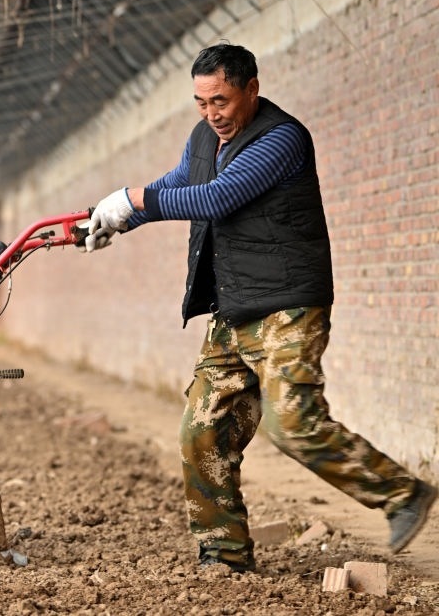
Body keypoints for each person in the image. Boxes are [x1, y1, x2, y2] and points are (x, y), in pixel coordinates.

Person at [81, 42, 436, 572]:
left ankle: (402, 494)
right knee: (201, 431)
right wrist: (116, 216)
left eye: (221, 101)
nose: (211, 114)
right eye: (202, 102)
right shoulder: (204, 136)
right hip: (234, 308)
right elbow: (179, 184)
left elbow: (217, 198)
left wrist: (133, 199)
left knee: (293, 423)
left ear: (252, 89)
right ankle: (224, 552)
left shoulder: (282, 139)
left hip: (288, 308)